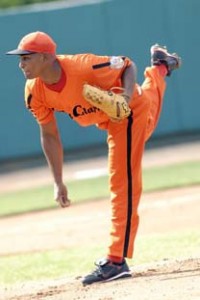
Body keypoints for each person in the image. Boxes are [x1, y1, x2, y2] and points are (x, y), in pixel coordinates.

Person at [6, 31, 181, 285]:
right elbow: (50, 135)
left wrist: (124, 98)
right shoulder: (35, 92)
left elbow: (126, 64)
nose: (20, 64)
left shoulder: (82, 65)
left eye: (25, 58)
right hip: (113, 119)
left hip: (127, 113)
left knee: (123, 182)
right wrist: (58, 181)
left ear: (44, 57)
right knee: (148, 110)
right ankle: (160, 66)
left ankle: (116, 260)